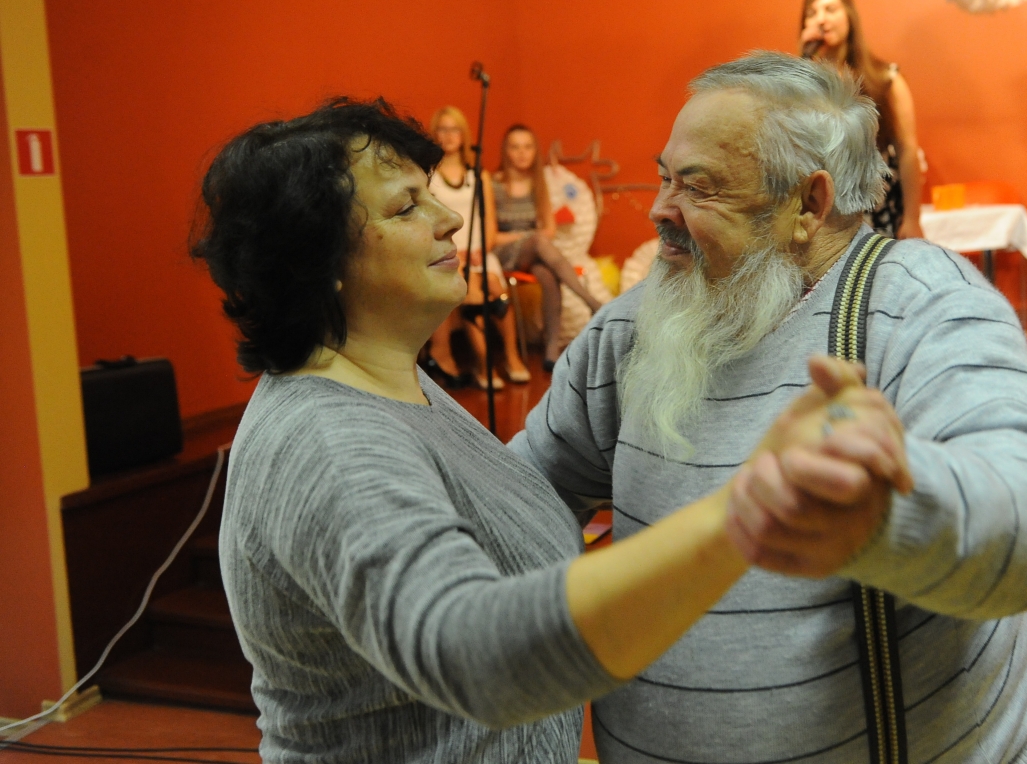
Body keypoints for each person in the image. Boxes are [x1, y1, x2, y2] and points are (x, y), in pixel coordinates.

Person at [190, 96, 904, 763]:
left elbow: (502, 513)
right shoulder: (329, 442)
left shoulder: (398, 383)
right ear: (318, 262)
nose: (448, 220)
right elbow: (480, 657)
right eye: (406, 207)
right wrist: (744, 511)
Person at [510, 53, 1027, 763]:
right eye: (665, 177)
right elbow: (516, 505)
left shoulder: (918, 299)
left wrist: (892, 515)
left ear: (808, 205)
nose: (660, 209)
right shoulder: (634, 327)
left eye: (698, 187)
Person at [801, 0, 924, 240]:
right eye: (812, 13)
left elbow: (907, 151)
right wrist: (804, 58)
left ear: (849, 16)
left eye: (830, 9)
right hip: (827, 213)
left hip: (880, 209)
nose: (821, 19)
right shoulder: (804, 86)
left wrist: (912, 219)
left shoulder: (885, 80)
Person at [426, 105, 530, 390]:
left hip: (480, 250)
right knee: (472, 285)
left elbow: (490, 222)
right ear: (434, 134)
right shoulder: (428, 175)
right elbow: (430, 222)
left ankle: (511, 357)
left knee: (495, 285)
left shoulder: (478, 175)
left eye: (454, 129)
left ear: (464, 134)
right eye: (442, 130)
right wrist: (455, 252)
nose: (449, 135)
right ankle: (483, 364)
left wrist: (480, 248)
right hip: (447, 251)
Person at [492, 124, 602, 368]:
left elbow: (550, 229)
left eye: (527, 147)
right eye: (515, 147)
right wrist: (527, 236)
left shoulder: (538, 183)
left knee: (548, 275)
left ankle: (551, 353)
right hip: (504, 254)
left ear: (535, 151)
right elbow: (491, 237)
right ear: (506, 151)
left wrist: (532, 237)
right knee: (539, 241)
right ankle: (591, 301)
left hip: (532, 253)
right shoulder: (493, 184)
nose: (522, 153)